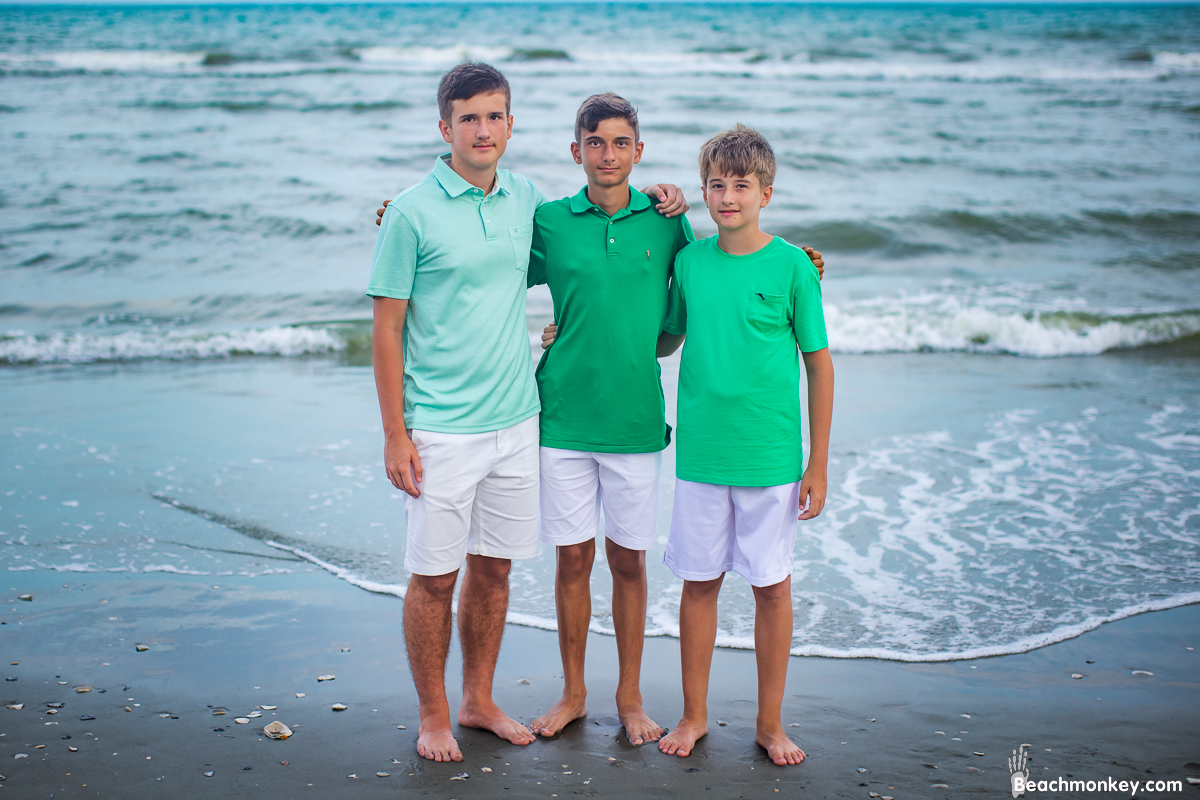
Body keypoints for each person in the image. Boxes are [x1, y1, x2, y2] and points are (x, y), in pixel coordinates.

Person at [367, 63, 685, 763]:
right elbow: (386, 327)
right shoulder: (421, 211)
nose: (483, 129)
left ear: (511, 124)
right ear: (444, 126)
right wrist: (395, 433)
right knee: (434, 576)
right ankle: (435, 715)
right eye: (469, 117)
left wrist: (676, 200)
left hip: (519, 419)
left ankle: (478, 699)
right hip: (445, 426)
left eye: (495, 116)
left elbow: (639, 282)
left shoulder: (526, 202)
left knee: (496, 570)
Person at [527, 95, 826, 746]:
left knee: (631, 562)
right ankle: (574, 694)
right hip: (564, 418)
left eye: (621, 142)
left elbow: (680, 322)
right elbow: (488, 272)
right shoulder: (548, 221)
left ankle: (633, 699)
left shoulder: (669, 227)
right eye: (595, 142)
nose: (608, 154)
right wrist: (410, 220)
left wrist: (801, 267)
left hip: (642, 423)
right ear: (575, 150)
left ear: (638, 150)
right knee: (573, 559)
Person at [654, 124, 835, 767]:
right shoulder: (689, 262)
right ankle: (694, 714)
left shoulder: (791, 266)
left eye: (740, 185)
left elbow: (818, 364)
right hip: (702, 454)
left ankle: (769, 723)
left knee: (771, 588)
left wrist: (817, 462)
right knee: (699, 583)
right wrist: (579, 325)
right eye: (716, 184)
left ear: (765, 191)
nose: (727, 196)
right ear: (703, 191)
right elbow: (662, 339)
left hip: (771, 458)